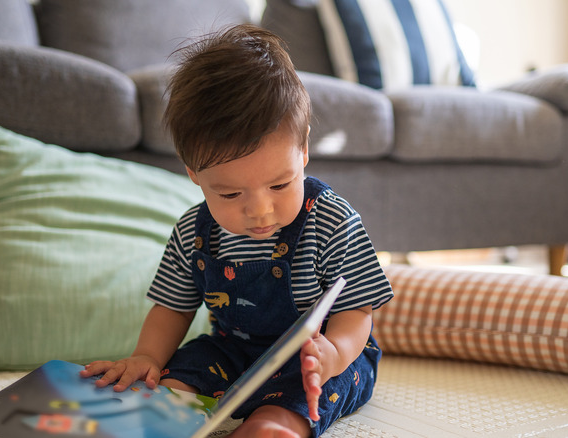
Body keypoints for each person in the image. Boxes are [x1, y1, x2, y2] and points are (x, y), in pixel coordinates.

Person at [80, 24, 393, 438]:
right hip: (230, 348)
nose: (259, 211)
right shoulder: (194, 230)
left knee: (294, 404)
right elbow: (172, 307)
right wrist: (147, 358)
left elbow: (357, 311)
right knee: (169, 387)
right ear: (195, 175)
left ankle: (271, 425)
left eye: (279, 185)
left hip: (317, 354)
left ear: (302, 152)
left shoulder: (332, 220)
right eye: (229, 194)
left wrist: (334, 352)